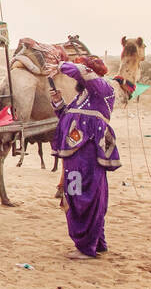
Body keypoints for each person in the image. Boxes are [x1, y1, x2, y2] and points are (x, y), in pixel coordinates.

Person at [50, 56, 119, 258]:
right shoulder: (83, 97)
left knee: (88, 198)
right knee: (76, 197)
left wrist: (61, 65)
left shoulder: (104, 89)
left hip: (88, 159)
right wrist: (58, 103)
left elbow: (81, 72)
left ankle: (86, 247)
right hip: (74, 161)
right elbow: (68, 119)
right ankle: (97, 243)